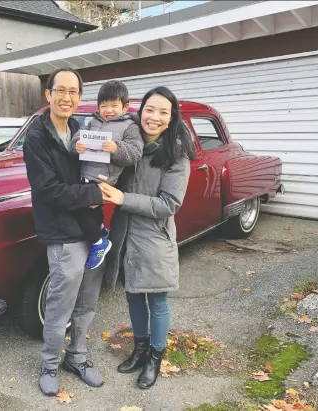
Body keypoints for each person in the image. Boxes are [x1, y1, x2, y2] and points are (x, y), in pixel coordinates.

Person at [99, 86, 195, 389]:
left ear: (170, 118)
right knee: (132, 295)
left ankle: (155, 356)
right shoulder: (130, 144)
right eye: (149, 109)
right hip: (125, 234)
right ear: (140, 111)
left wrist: (123, 198)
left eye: (162, 112)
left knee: (157, 300)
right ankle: (139, 350)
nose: (154, 117)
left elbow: (169, 204)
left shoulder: (176, 156)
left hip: (154, 238)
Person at [22, 68, 106, 396]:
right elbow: (48, 190)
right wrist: (96, 195)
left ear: (80, 97)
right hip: (62, 233)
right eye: (61, 90)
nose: (67, 97)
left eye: (73, 92)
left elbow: (97, 169)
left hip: (90, 227)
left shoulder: (78, 129)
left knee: (87, 301)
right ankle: (49, 363)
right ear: (48, 94)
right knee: (60, 304)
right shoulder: (37, 137)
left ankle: (78, 357)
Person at [71, 80, 143, 270]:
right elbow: (78, 136)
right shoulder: (93, 121)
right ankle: (100, 229)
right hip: (86, 172)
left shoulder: (130, 126)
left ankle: (98, 243)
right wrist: (76, 144)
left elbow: (135, 153)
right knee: (91, 210)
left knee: (79, 207)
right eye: (103, 105)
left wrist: (116, 148)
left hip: (105, 178)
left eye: (113, 105)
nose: (108, 110)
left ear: (125, 106)